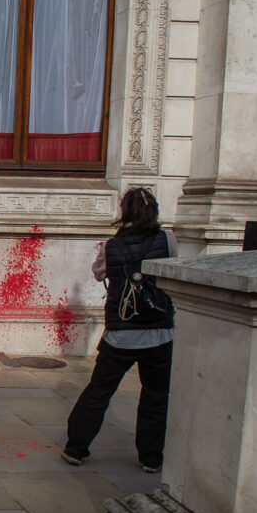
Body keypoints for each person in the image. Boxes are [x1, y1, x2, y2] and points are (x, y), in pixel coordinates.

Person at [61, 187, 177, 473]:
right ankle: (151, 457)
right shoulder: (167, 239)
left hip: (121, 333)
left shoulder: (112, 245)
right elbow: (173, 270)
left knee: (99, 391)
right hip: (159, 332)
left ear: (124, 211)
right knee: (155, 395)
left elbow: (99, 273)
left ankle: (75, 447)